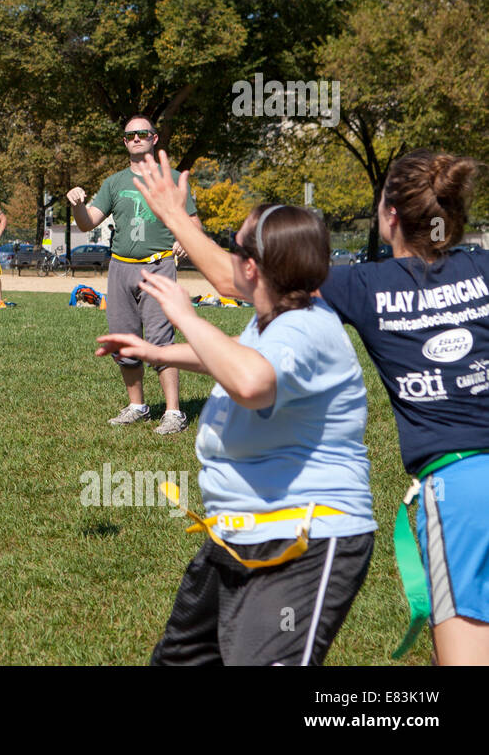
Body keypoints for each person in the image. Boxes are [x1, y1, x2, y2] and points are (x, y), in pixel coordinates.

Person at [138, 149, 489, 664]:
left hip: (462, 488)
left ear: (389, 215)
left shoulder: (367, 287)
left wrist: (173, 215)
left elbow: (241, 280)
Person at [96, 203, 376, 665]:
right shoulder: (277, 317)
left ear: (251, 266)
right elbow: (233, 356)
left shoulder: (306, 328)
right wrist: (154, 348)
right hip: (239, 533)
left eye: (234, 248)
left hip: (303, 538)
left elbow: (250, 382)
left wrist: (184, 316)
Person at [67, 115, 200, 435]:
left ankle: (173, 413)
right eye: (129, 136)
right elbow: (87, 224)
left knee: (160, 340)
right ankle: (137, 406)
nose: (136, 139)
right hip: (120, 267)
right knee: (123, 341)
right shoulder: (114, 183)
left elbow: (194, 224)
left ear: (155, 138)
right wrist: (76, 205)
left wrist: (184, 237)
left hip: (158, 266)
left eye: (142, 134)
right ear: (124, 142)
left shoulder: (174, 178)